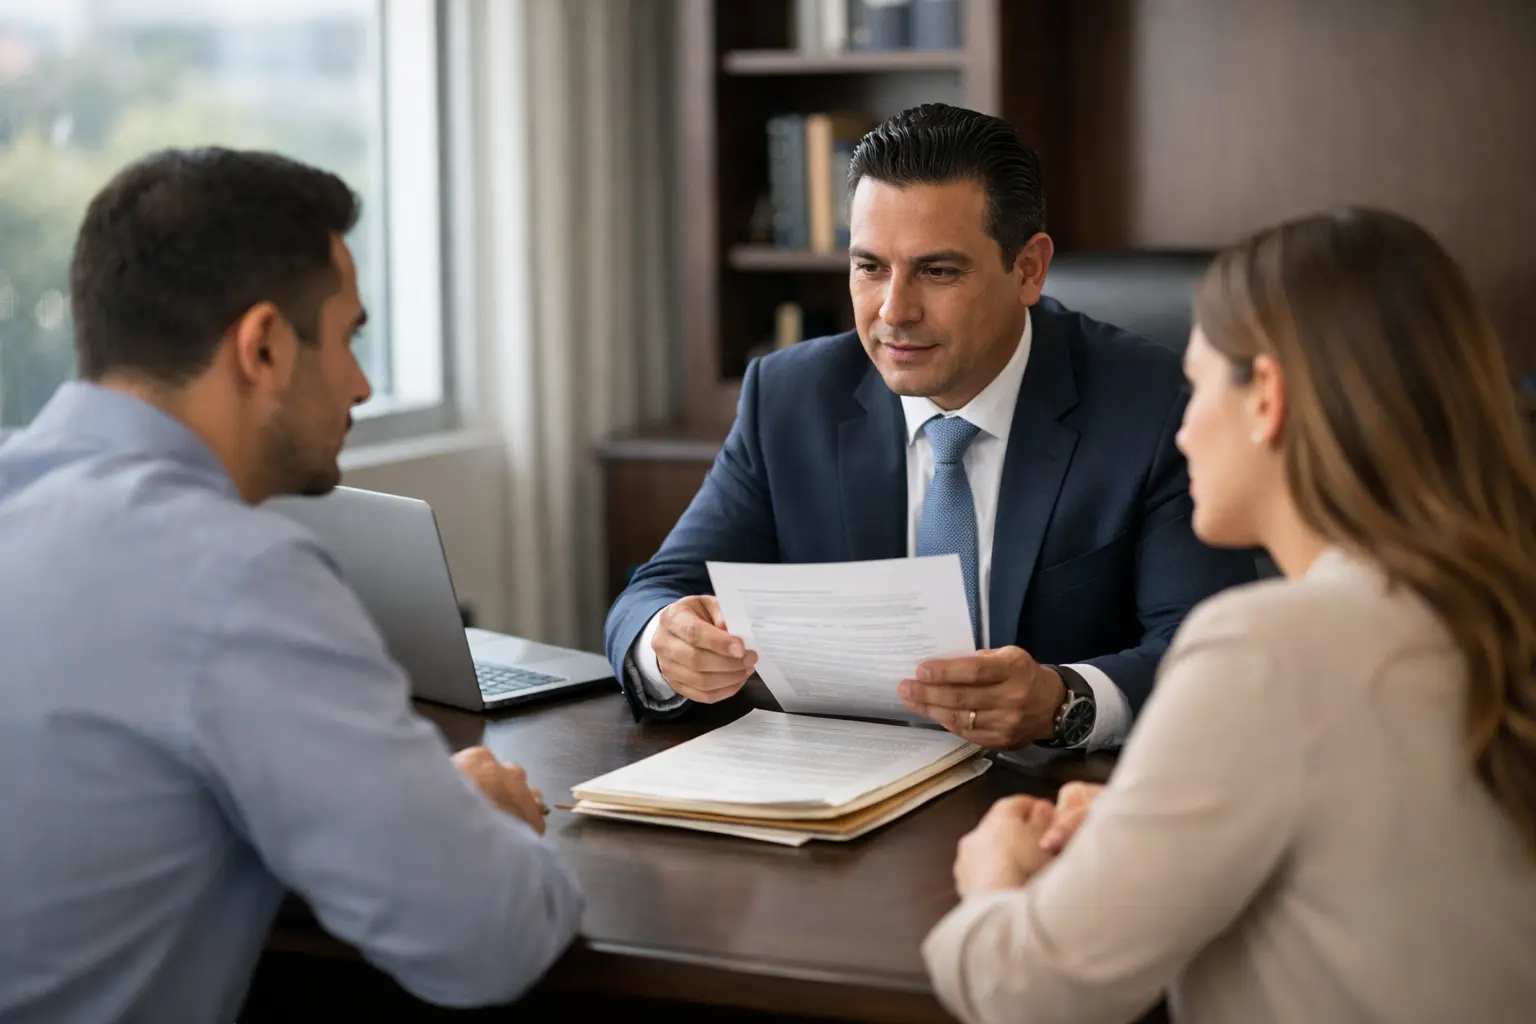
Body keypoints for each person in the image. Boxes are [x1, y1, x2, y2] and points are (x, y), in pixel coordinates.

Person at [0, 149, 584, 1022]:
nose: (362, 383)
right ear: (265, 346)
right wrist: (480, 824)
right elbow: (488, 939)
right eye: (349, 335)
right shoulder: (234, 578)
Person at [922, 207, 1536, 1023]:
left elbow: (1025, 990)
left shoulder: (1267, 648)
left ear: (1266, 398)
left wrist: (992, 869)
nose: (1180, 429)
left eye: (1199, 382)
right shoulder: (1489, 603)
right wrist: (1158, 821)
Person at [604, 103, 1254, 752]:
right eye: (870, 267)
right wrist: (666, 645)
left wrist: (1064, 700)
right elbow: (656, 591)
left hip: (1053, 802)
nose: (894, 310)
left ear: (1028, 268)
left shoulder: (1156, 405)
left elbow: (1206, 656)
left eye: (938, 271)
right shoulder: (791, 397)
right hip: (844, 800)